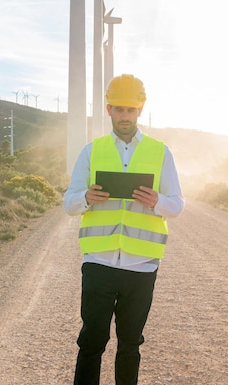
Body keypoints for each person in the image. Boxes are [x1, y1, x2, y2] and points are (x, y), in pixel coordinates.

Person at [63, 74, 185, 385]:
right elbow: (69, 202)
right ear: (108, 110)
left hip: (141, 266)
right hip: (99, 263)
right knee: (91, 342)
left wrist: (157, 202)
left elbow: (177, 204)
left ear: (140, 110)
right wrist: (86, 198)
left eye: (130, 110)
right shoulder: (92, 151)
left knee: (130, 345)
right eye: (119, 110)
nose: (125, 116)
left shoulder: (161, 153)